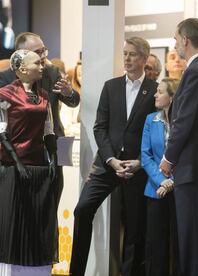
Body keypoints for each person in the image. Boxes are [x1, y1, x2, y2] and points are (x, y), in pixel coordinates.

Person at [70, 36, 157, 276]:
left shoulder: (155, 90)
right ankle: (76, 271)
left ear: (144, 58)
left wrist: (140, 161)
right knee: (83, 209)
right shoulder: (111, 86)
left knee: (134, 227)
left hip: (137, 167)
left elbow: (158, 132)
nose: (127, 59)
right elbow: (100, 127)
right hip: (108, 164)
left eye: (133, 54)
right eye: (125, 54)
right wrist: (111, 159)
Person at [0, 49, 57, 275]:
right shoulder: (4, 95)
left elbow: (49, 131)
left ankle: (34, 267)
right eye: (37, 63)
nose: (42, 66)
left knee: (36, 221)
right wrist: (17, 162)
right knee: (13, 220)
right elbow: (2, 132)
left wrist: (53, 160)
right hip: (11, 167)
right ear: (23, 69)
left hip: (38, 167)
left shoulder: (44, 95)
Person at [159, 18, 198, 276]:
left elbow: (184, 121)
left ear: (185, 39)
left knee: (192, 241)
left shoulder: (196, 71)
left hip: (193, 168)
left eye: (175, 39)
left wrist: (168, 158)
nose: (175, 45)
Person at [0, 32, 80, 210]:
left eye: (44, 51)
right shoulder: (6, 77)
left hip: (57, 142)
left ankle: (51, 238)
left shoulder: (52, 71)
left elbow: (73, 102)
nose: (43, 56)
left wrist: (69, 93)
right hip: (23, 147)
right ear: (21, 54)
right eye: (38, 52)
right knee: (23, 204)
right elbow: (2, 118)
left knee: (53, 197)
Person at [141, 77, 180, 276]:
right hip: (156, 189)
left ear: (172, 97)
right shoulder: (150, 119)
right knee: (155, 243)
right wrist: (161, 180)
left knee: (178, 244)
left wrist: (172, 182)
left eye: (161, 91)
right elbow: (145, 156)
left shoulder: (182, 123)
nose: (155, 94)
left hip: (181, 189)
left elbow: (186, 156)